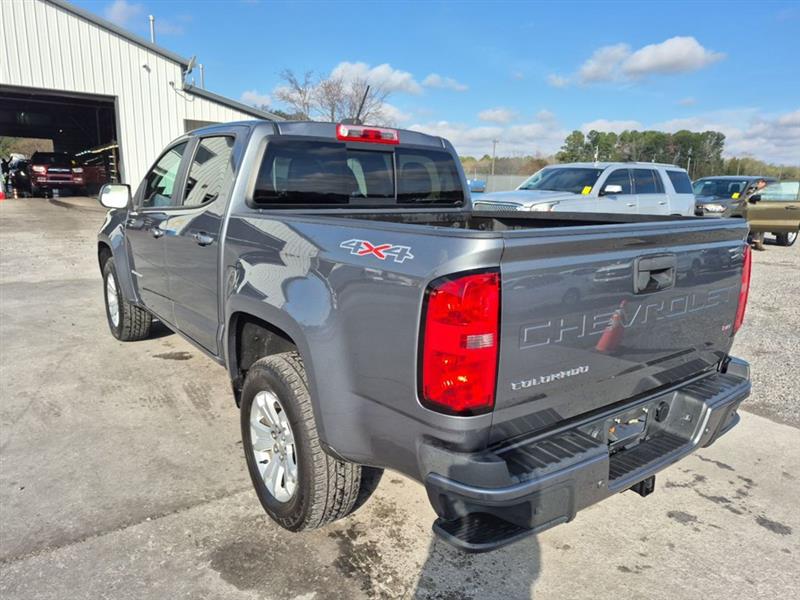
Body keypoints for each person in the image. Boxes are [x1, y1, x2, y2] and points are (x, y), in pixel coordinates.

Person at [744, 178, 769, 250]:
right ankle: (756, 242)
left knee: (763, 226)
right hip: (752, 209)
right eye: (759, 182)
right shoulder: (752, 190)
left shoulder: (766, 191)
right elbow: (748, 197)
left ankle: (759, 243)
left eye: (760, 182)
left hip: (763, 210)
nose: (758, 184)